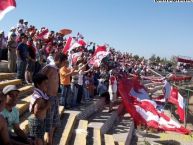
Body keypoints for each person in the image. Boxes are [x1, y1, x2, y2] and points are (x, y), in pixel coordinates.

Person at [41, 53, 67, 145]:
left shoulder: (56, 69)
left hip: (54, 98)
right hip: (48, 98)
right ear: (59, 60)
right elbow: (39, 82)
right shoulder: (49, 68)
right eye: (64, 61)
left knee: (52, 124)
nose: (65, 64)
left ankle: (50, 142)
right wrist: (44, 97)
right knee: (48, 124)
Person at [28, 73, 50, 145]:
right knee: (37, 141)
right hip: (36, 121)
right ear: (38, 84)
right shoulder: (38, 97)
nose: (47, 85)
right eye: (45, 83)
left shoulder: (42, 94)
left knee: (40, 139)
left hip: (39, 121)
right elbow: (36, 112)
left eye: (47, 83)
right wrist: (47, 106)